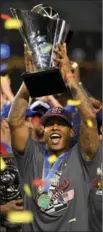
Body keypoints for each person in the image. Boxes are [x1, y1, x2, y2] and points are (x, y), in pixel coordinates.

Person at [8, 43, 100, 231]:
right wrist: (29, 82)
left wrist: (70, 79)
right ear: (44, 130)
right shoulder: (32, 155)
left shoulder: (81, 159)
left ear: (72, 131)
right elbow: (15, 121)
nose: (55, 127)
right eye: (50, 124)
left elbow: (89, 117)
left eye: (61, 124)